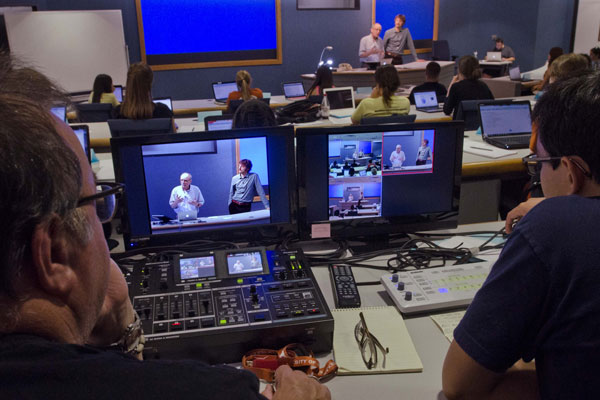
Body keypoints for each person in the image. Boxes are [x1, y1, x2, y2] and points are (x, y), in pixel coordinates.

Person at [0, 54, 330, 399]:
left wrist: (128, 332)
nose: (103, 220)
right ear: (53, 252)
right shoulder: (213, 391)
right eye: (97, 204)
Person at [442, 71, 600, 400]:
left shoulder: (553, 228)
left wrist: (554, 216)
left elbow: (458, 385)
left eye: (540, 162)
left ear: (571, 172)